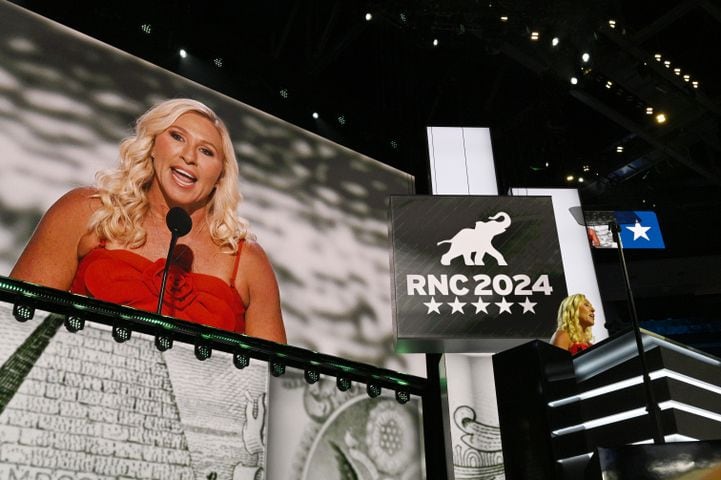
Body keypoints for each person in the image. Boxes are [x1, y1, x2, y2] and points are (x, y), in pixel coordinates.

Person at [10, 98, 287, 343]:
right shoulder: (85, 212)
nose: (189, 157)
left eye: (206, 152)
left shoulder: (248, 261)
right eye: (177, 137)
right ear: (152, 146)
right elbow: (15, 321)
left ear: (220, 176)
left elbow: (276, 382)